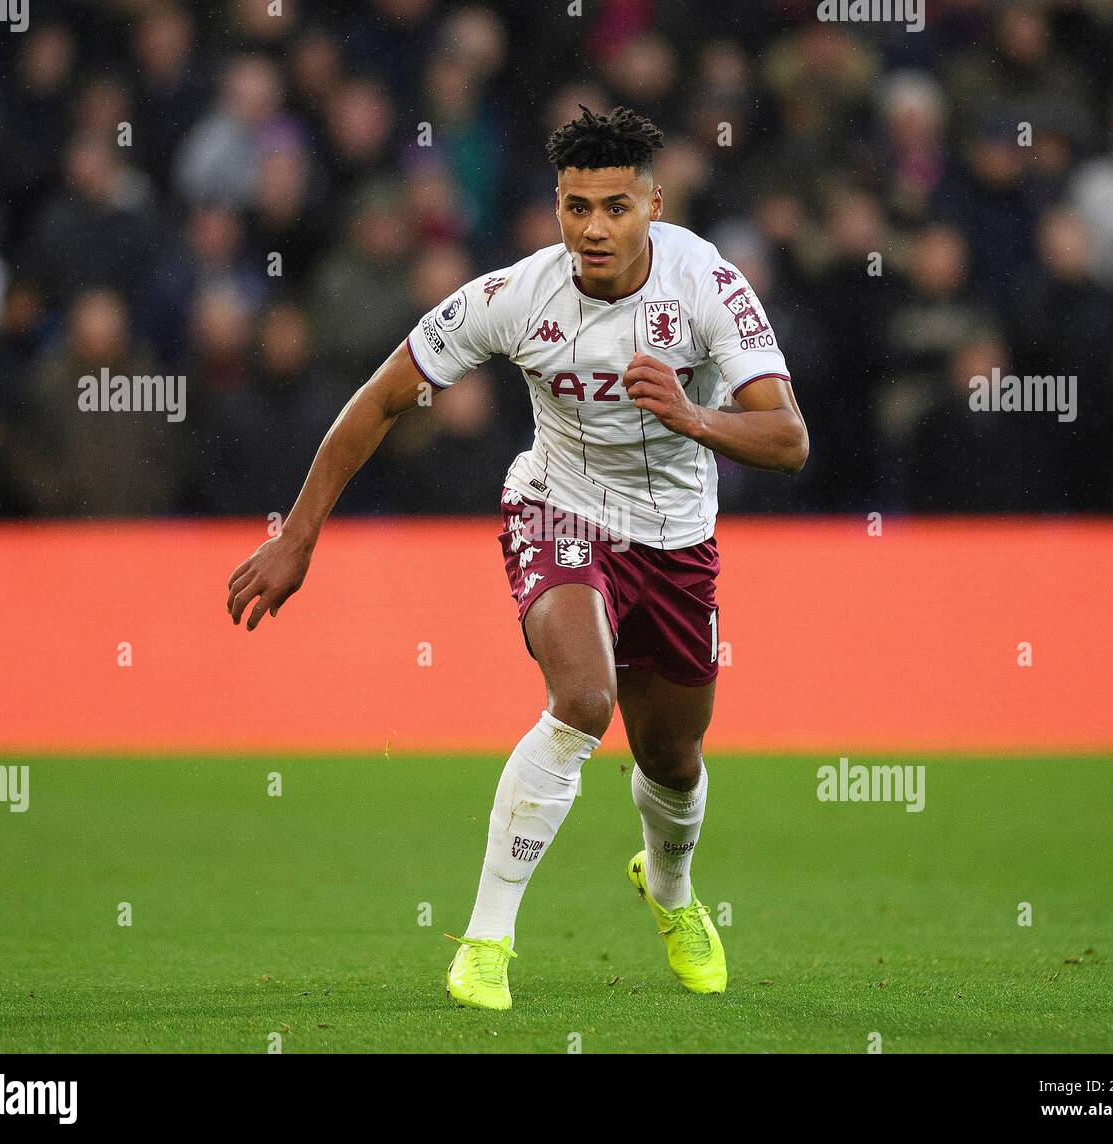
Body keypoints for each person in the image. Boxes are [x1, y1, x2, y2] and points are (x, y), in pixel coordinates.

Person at [225, 105, 809, 1010]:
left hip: (678, 538)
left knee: (674, 758)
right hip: (557, 509)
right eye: (577, 207)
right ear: (557, 208)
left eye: (616, 207)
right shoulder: (517, 295)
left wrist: (693, 416)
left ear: (653, 205)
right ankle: (486, 941)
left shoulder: (709, 284)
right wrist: (299, 534)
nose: (594, 228)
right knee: (582, 699)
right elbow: (381, 397)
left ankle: (671, 892)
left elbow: (789, 438)